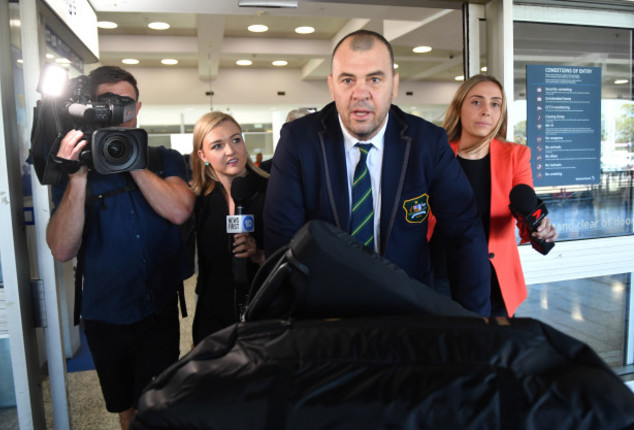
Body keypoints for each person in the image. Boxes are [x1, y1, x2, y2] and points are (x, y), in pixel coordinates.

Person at [263, 30, 492, 316]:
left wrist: (476, 326)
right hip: (325, 314)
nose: (361, 93)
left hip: (408, 308)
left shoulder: (427, 143)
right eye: (348, 80)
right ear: (332, 86)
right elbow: (281, 241)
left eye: (374, 79)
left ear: (393, 85)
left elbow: (465, 232)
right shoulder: (299, 141)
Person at [46, 66, 195, 430]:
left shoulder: (162, 159)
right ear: (88, 108)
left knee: (161, 402)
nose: (115, 112)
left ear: (138, 107)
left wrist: (131, 160)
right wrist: (78, 177)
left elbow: (179, 210)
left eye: (123, 104)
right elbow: (62, 249)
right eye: (104, 104)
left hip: (157, 307)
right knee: (126, 408)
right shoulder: (73, 168)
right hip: (106, 313)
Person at [430, 74, 557, 317]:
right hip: (439, 272)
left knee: (489, 349)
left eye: (495, 104)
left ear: (501, 113)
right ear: (459, 108)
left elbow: (525, 207)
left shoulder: (516, 156)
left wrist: (539, 226)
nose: (486, 111)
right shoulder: (436, 153)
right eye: (476, 102)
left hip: (492, 277)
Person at [189, 111, 268, 345]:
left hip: (266, 316)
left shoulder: (273, 191)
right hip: (214, 321)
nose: (231, 151)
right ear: (203, 155)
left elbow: (293, 255)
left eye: (236, 140)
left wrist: (259, 254)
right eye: (217, 146)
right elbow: (205, 271)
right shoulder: (199, 201)